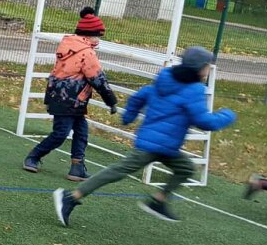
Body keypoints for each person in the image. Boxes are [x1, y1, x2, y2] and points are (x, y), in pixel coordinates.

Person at [53, 47, 236, 226]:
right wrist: (227, 115)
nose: (209, 69)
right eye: (208, 65)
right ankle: (70, 197)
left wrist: (129, 116)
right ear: (199, 68)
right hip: (154, 145)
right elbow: (204, 121)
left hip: (165, 146)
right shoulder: (194, 90)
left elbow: (141, 96)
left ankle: (158, 201)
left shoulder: (166, 78)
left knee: (186, 168)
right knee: (117, 171)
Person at [23, 7, 118, 181]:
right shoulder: (87, 53)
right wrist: (111, 101)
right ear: (89, 35)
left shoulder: (68, 46)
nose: (98, 40)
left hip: (62, 96)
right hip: (70, 99)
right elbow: (98, 79)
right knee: (61, 133)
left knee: (81, 132)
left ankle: (77, 167)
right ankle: (34, 156)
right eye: (97, 36)